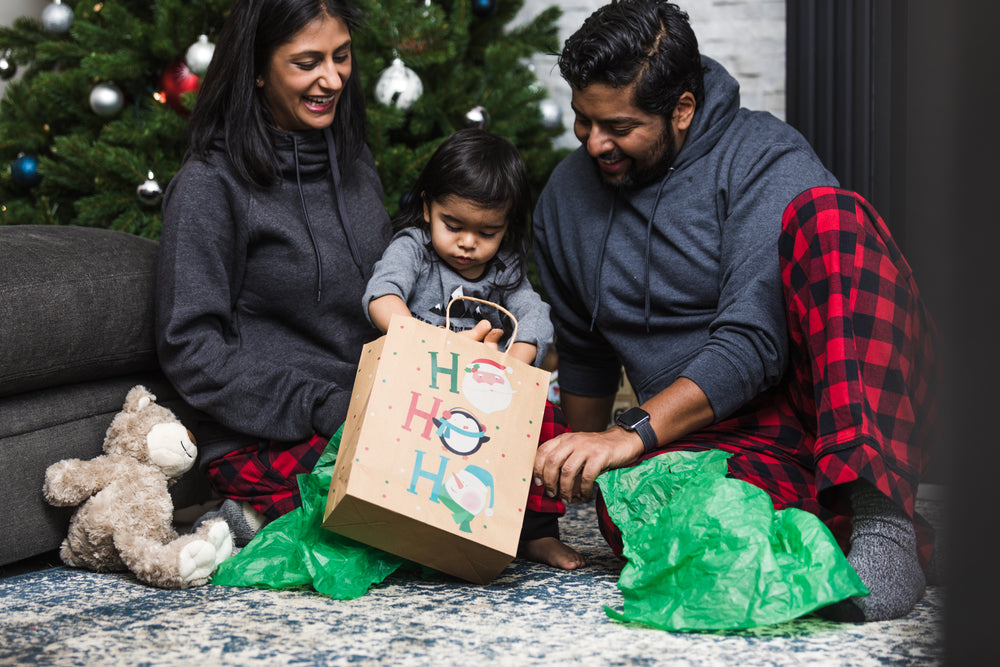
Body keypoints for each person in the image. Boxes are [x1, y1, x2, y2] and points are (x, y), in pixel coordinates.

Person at [531, 0, 940, 621]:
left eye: (618, 126)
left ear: (683, 110)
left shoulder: (765, 158)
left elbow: (752, 345)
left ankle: (881, 523)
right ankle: (833, 527)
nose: (594, 144)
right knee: (634, 501)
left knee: (830, 216)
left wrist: (627, 433)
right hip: (714, 436)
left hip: (831, 398)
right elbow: (585, 352)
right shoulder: (565, 198)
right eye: (582, 121)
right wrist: (579, 473)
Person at [155, 0, 393, 546]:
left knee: (524, 448)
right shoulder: (209, 187)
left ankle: (273, 518)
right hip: (272, 430)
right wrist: (322, 405)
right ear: (258, 70)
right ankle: (256, 511)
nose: (331, 79)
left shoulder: (353, 164)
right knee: (410, 502)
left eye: (342, 56)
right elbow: (190, 349)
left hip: (369, 407)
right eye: (307, 62)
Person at [363, 128, 585, 569]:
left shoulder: (503, 270)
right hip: (422, 388)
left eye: (488, 231)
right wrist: (425, 345)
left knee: (540, 418)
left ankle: (536, 532)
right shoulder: (414, 251)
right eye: (454, 225)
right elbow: (381, 295)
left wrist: (513, 368)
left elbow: (536, 315)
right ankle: (400, 517)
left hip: (483, 396)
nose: (468, 243)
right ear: (427, 207)